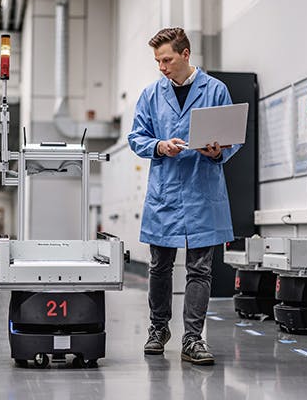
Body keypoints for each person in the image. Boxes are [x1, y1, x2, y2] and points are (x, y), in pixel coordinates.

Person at [128, 27, 241, 365]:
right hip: (165, 192)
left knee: (200, 269)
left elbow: (232, 139)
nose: (162, 67)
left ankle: (193, 339)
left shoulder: (215, 90)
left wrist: (218, 151)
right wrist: (159, 146)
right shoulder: (151, 94)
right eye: (157, 61)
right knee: (160, 267)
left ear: (186, 54)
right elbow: (136, 137)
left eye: (167, 59)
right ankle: (158, 328)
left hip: (203, 190)